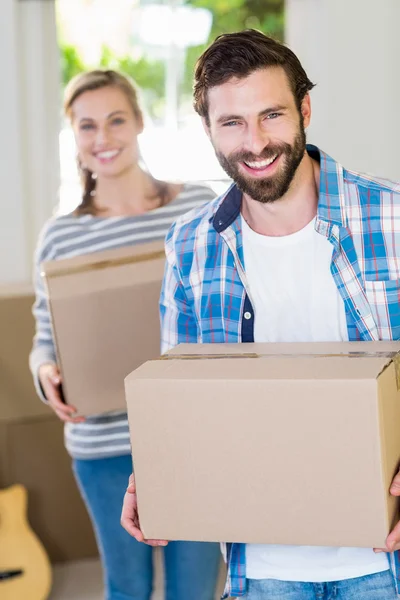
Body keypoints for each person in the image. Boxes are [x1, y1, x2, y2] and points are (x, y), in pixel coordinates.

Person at [120, 29, 400, 600]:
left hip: (384, 560)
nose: (255, 142)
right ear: (209, 131)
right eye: (232, 123)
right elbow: (181, 402)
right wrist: (153, 471)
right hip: (264, 567)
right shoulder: (191, 246)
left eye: (271, 115)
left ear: (305, 109)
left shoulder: (392, 217)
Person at [29, 69, 221, 600]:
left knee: (195, 591)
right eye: (87, 126)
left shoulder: (198, 207)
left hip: (192, 435)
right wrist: (47, 375)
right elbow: (45, 338)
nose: (103, 138)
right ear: (75, 136)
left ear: (139, 123)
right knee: (127, 589)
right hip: (103, 445)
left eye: (116, 120)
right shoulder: (61, 235)